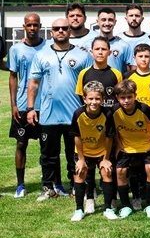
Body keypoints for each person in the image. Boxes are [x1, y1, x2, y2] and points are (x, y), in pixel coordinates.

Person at [27, 18, 93, 201]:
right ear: (51, 32)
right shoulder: (41, 55)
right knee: (48, 155)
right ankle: (48, 187)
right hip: (49, 114)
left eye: (65, 28)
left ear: (70, 31)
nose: (61, 31)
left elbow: (89, 84)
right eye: (57, 29)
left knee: (75, 153)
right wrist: (31, 108)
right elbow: (33, 83)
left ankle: (76, 185)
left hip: (74, 114)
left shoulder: (83, 55)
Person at [8, 13, 46, 197]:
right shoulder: (16, 50)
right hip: (23, 105)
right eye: (29, 25)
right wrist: (14, 105)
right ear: (24, 26)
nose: (32, 28)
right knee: (21, 144)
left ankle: (52, 183)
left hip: (45, 105)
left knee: (48, 146)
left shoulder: (48, 47)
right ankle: (20, 185)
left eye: (36, 25)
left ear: (40, 26)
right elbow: (13, 77)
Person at [111, 79, 150, 218]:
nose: (126, 101)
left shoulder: (144, 109)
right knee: (120, 170)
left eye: (129, 97)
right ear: (117, 98)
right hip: (127, 147)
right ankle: (126, 206)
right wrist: (118, 144)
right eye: (122, 98)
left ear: (135, 96)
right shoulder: (114, 111)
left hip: (145, 146)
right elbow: (111, 130)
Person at [70, 81, 117, 221]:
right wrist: (81, 159)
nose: (94, 102)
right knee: (80, 172)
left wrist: (106, 158)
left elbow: (109, 137)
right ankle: (79, 209)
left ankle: (108, 208)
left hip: (102, 150)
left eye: (97, 98)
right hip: (83, 151)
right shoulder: (78, 114)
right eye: (90, 98)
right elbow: (76, 136)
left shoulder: (107, 113)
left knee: (106, 171)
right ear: (84, 99)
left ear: (102, 99)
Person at [75, 36, 123, 108]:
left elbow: (120, 96)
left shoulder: (117, 74)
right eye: (97, 49)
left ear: (109, 52)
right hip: (91, 117)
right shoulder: (83, 73)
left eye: (103, 49)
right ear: (91, 52)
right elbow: (81, 96)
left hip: (111, 116)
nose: (100, 52)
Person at [124, 43, 150, 111]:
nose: (143, 59)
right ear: (134, 58)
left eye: (146, 56)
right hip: (134, 115)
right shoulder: (128, 76)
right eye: (140, 56)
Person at [92, 7, 133, 74]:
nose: (107, 23)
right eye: (103, 20)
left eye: (110, 20)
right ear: (97, 22)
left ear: (115, 22)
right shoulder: (88, 44)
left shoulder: (124, 46)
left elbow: (129, 72)